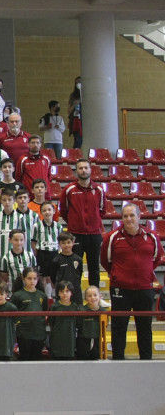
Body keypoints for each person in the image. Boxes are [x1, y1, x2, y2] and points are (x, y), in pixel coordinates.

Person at [101, 202, 164, 360]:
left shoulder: (152, 236)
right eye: (125, 216)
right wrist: (117, 275)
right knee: (118, 327)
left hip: (144, 289)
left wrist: (146, 273)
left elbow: (156, 259)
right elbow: (105, 261)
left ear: (139, 216)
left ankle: (146, 361)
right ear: (122, 218)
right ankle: (118, 361)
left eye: (132, 215)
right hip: (120, 289)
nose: (128, 219)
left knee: (144, 327)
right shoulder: (112, 237)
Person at [58, 159, 105, 288]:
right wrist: (75, 222)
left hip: (94, 234)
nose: (83, 171)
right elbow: (63, 210)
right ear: (76, 171)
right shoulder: (69, 189)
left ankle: (95, 297)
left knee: (94, 267)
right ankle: (75, 297)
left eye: (86, 168)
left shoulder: (99, 189)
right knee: (75, 267)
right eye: (80, 168)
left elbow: (102, 210)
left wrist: (93, 223)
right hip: (75, 234)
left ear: (90, 170)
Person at [68, 76, 83, 149]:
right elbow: (69, 111)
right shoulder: (73, 96)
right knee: (77, 141)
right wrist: (75, 104)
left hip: (86, 121)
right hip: (77, 121)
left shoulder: (87, 95)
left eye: (80, 82)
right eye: (76, 83)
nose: (78, 84)